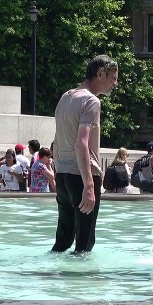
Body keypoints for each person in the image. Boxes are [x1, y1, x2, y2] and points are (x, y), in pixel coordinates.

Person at [52, 54, 118, 253]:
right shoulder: (91, 101)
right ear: (100, 74)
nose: (116, 84)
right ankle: (81, 284)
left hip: (62, 177)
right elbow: (81, 144)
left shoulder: (66, 97)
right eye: (113, 78)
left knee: (62, 243)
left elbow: (56, 141)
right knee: (84, 246)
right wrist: (89, 184)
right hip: (81, 177)